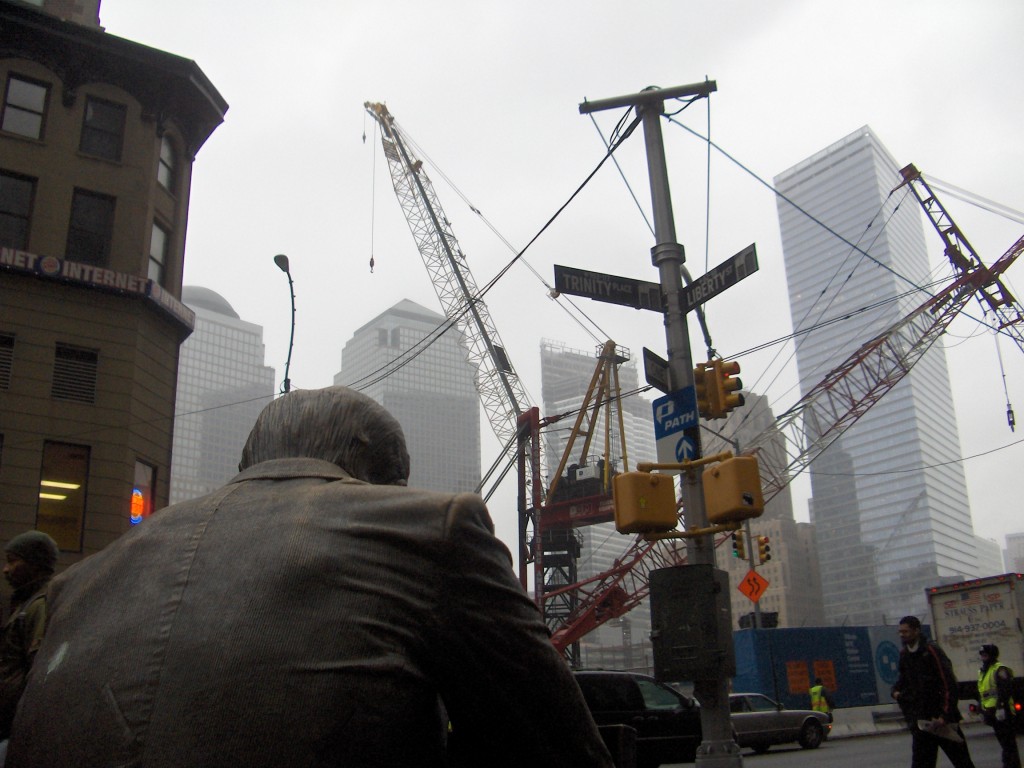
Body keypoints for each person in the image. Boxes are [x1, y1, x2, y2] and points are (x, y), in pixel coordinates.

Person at [7, 387, 613, 768]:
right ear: (368, 464)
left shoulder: (79, 583)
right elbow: (560, 750)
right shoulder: (434, 528)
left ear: (250, 462)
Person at [891, 615, 976, 768]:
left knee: (962, 762)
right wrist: (896, 692)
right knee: (921, 763)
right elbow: (903, 681)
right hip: (922, 721)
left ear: (916, 631)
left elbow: (949, 683)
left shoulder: (931, 650)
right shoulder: (905, 654)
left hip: (942, 721)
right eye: (900, 632)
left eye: (906, 631)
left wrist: (945, 715)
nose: (902, 635)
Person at [0, 531, 58, 741]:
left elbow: (37, 668)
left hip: (17, 725)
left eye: (13, 562)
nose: (6, 570)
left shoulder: (38, 606)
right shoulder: (25, 603)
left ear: (34, 564)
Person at [977, 643, 1021, 768]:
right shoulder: (983, 671)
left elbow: (1005, 690)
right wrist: (981, 709)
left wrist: (1000, 707)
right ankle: (1011, 764)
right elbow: (982, 692)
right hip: (991, 712)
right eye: (982, 655)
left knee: (1008, 743)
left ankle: (1011, 765)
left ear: (992, 655)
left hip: (1003, 712)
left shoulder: (999, 669)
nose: (983, 657)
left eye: (985, 655)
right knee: (1004, 743)